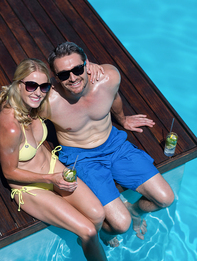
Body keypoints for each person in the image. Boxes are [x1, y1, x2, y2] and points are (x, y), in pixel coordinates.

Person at [43, 41, 174, 246]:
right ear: (54, 77)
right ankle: (104, 234)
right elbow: (21, 110)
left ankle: (135, 210)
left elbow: (114, 98)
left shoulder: (108, 77)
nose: (73, 77)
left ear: (87, 64)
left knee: (165, 198)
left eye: (77, 69)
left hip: (114, 145)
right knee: (121, 225)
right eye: (63, 74)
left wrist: (123, 120)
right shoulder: (48, 101)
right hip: (81, 157)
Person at [0, 59, 107, 261]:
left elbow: (68, 76)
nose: (38, 92)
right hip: (29, 187)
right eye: (31, 85)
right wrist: (51, 179)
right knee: (89, 231)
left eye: (44, 86)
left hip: (51, 167)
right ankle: (89, 242)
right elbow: (9, 172)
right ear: (18, 84)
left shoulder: (33, 102)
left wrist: (88, 65)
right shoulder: (10, 126)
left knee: (98, 216)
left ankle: (86, 244)